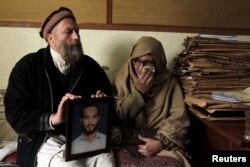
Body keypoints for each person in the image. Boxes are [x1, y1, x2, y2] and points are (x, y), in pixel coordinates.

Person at [4, 7, 115, 167]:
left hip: (85, 137)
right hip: (42, 139)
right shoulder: (28, 67)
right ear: (51, 38)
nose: (76, 37)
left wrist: (101, 104)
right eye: (68, 32)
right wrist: (53, 119)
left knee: (106, 163)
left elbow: (108, 112)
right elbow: (15, 114)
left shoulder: (91, 67)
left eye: (77, 31)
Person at [112, 36, 191, 167]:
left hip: (161, 143)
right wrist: (138, 92)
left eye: (148, 63)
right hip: (126, 141)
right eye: (137, 61)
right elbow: (117, 115)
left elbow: (179, 120)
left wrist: (160, 143)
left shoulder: (169, 82)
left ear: (158, 63)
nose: (141, 68)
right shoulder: (122, 78)